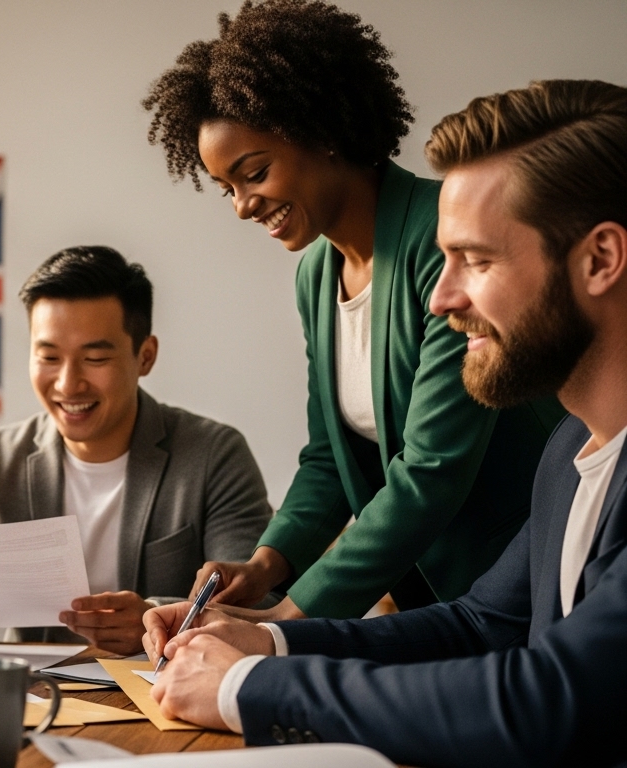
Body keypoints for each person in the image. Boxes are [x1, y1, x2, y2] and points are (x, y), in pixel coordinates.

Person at [144, 79, 627, 768]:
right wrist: (269, 640)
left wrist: (251, 682)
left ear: (600, 259)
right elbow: (482, 621)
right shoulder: (569, 448)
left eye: (477, 260)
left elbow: (549, 698)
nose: (440, 298)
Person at [141, 0, 563, 621]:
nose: (241, 206)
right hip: (430, 597)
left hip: (520, 581)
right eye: (227, 189)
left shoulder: (442, 234)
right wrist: (266, 566)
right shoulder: (316, 275)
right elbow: (331, 459)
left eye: (253, 173)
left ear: (322, 131)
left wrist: (289, 621)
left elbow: (432, 469)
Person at [0, 247, 272, 655]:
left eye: (94, 358)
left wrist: (155, 616)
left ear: (144, 356)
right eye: (48, 357)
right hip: (36, 693)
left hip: (162, 690)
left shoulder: (213, 455)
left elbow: (257, 607)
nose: (67, 383)